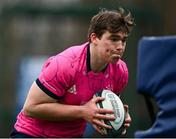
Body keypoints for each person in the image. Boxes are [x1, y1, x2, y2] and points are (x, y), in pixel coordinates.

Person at [10, 7, 135, 138]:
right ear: (94, 38)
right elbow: (31, 108)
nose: (120, 46)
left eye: (123, 40)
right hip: (32, 134)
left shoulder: (120, 72)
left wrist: (118, 119)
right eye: (114, 39)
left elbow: (101, 110)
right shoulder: (66, 64)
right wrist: (83, 111)